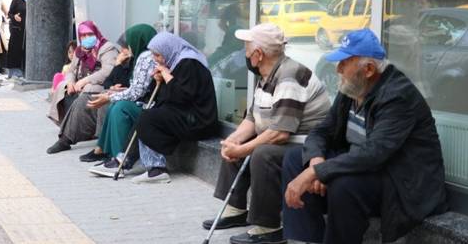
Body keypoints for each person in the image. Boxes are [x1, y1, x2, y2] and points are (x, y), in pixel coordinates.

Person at [282, 29, 448, 244]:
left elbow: (374, 153)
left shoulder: (398, 96)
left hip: (402, 181)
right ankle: (305, 240)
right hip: (370, 169)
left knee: (344, 185)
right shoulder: (351, 88)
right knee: (295, 159)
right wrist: (316, 161)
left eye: (344, 63)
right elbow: (322, 130)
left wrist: (317, 172)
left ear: (368, 69)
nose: (338, 69)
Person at [201, 23, 331, 244]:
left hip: (306, 145)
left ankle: (269, 226)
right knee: (236, 144)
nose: (245, 54)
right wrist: (234, 140)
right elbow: (252, 118)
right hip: (284, 137)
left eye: (247, 50)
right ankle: (236, 209)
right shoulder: (267, 74)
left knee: (262, 154)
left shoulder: (289, 76)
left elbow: (279, 133)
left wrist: (242, 149)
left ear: (258, 55)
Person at [131, 32, 218, 184]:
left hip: (199, 120)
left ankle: (156, 168)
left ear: (167, 49)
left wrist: (166, 75)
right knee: (147, 115)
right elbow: (165, 97)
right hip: (187, 115)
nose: (155, 59)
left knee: (148, 118)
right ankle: (135, 162)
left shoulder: (190, 63)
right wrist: (160, 80)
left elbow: (182, 96)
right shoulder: (176, 62)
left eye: (158, 55)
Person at [81, 24, 158, 176]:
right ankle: (107, 152)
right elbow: (116, 82)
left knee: (119, 107)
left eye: (127, 44)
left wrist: (110, 96)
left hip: (152, 106)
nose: (124, 49)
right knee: (113, 105)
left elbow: (137, 91)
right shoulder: (138, 57)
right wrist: (118, 66)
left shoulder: (146, 57)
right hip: (141, 100)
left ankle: (118, 160)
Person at [46, 21, 119, 153]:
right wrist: (70, 82)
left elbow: (107, 71)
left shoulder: (107, 48)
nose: (86, 38)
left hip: (101, 86)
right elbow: (71, 71)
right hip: (83, 86)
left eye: (90, 34)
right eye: (83, 35)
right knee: (63, 87)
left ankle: (69, 139)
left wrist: (85, 81)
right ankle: (65, 139)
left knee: (88, 93)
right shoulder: (79, 51)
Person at [6, 0, 27, 78]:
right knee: (15, 50)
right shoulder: (16, 0)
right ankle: (15, 72)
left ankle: (26, 71)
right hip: (17, 30)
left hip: (28, 31)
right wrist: (14, 16)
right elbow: (9, 14)